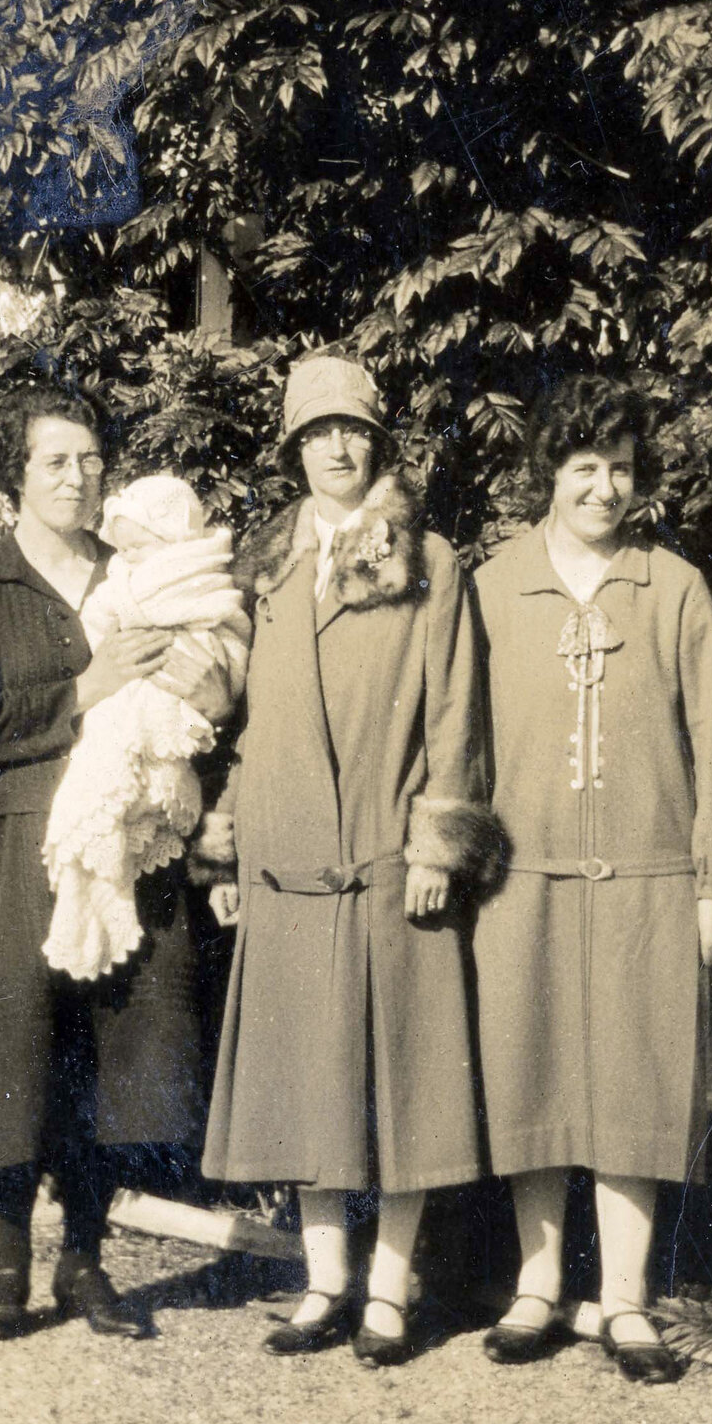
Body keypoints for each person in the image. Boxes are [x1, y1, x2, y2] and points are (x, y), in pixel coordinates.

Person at [201, 354, 502, 1368]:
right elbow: (240, 722)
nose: (337, 447)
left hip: (383, 860)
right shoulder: (265, 564)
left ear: (378, 444)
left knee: (402, 1083)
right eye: (317, 431)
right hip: (286, 863)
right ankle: (323, 1280)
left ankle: (388, 1287)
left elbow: (457, 710)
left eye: (354, 430)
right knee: (302, 1083)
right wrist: (229, 847)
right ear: (293, 447)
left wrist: (435, 843)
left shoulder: (427, 559)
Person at [469, 371, 712, 1382]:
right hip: (521, 879)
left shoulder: (670, 588)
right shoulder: (494, 585)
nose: (602, 487)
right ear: (549, 471)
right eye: (584, 466)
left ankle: (625, 1302)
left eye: (620, 469)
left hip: (645, 878)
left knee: (634, 1078)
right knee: (532, 1068)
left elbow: (710, 743)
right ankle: (537, 1287)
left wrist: (711, 883)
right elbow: (459, 740)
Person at [0, 388, 210, 1343]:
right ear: (16, 473)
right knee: (16, 1043)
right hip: (18, 847)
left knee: (117, 1049)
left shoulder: (136, 573)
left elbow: (205, 678)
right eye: (55, 460)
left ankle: (85, 1261)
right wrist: (87, 687)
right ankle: (8, 1260)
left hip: (127, 842)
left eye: (91, 460)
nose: (78, 477)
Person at [41, 471, 251, 980]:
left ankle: (118, 829)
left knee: (140, 763)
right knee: (108, 759)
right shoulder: (125, 580)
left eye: (138, 548)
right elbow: (98, 622)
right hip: (132, 692)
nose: (126, 559)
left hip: (183, 690)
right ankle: (103, 845)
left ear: (173, 546)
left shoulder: (193, 574)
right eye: (125, 549)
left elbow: (221, 620)